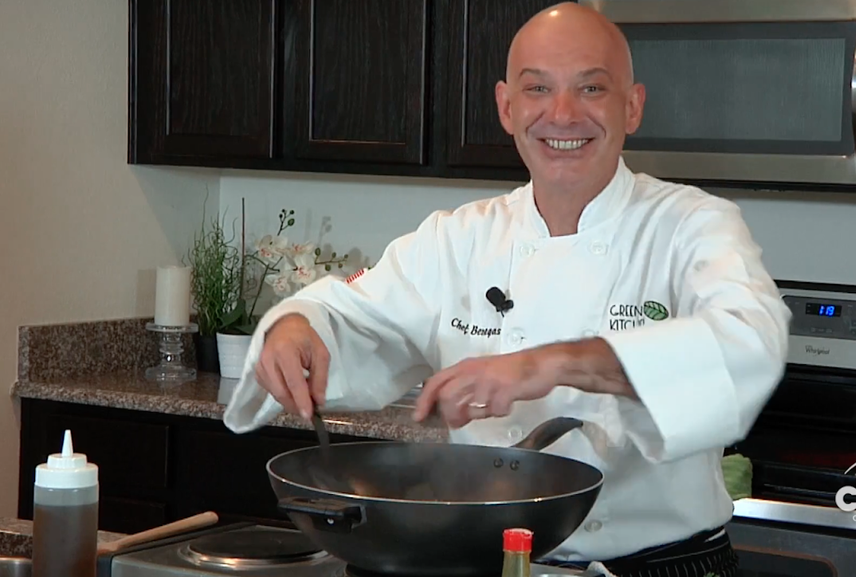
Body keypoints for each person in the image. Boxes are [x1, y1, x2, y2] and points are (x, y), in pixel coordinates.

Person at [223, 3, 791, 576]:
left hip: (660, 567)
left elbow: (750, 343)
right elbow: (350, 316)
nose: (562, 114)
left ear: (632, 106)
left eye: (591, 88)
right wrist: (297, 326)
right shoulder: (458, 238)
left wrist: (553, 363)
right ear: (506, 107)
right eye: (538, 88)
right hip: (490, 562)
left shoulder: (693, 225)